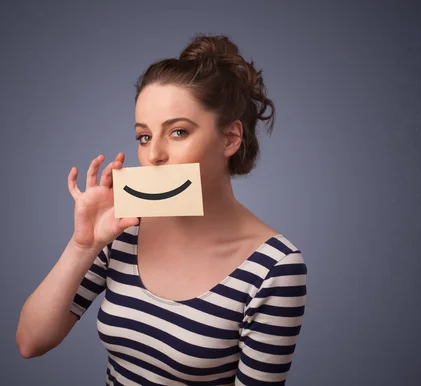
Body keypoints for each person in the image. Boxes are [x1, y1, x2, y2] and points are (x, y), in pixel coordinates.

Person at [16, 34, 308, 385]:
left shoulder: (274, 267)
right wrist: (83, 246)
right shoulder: (125, 228)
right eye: (144, 136)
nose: (154, 155)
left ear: (230, 139)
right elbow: (31, 342)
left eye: (178, 132)